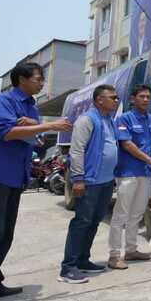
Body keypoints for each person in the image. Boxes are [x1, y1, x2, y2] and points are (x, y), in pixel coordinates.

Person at [0, 63, 71, 301]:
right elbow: (7, 132)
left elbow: (35, 139)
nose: (42, 82)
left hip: (16, 176)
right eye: (38, 78)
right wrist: (50, 124)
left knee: (5, 233)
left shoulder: (30, 108)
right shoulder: (3, 102)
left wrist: (33, 126)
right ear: (22, 79)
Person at [58, 85, 120, 284]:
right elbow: (76, 151)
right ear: (100, 100)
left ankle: (83, 260)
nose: (117, 100)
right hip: (90, 182)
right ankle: (68, 268)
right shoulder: (87, 120)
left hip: (106, 182)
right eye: (113, 97)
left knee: (94, 222)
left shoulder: (109, 121)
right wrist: (78, 179)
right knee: (82, 222)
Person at [108, 85, 151, 269]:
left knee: (137, 214)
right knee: (121, 214)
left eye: (148, 97)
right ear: (133, 99)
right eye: (142, 96)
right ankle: (114, 255)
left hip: (145, 173)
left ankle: (131, 250)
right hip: (128, 173)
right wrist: (150, 160)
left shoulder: (150, 119)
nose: (146, 100)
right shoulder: (125, 119)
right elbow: (126, 144)